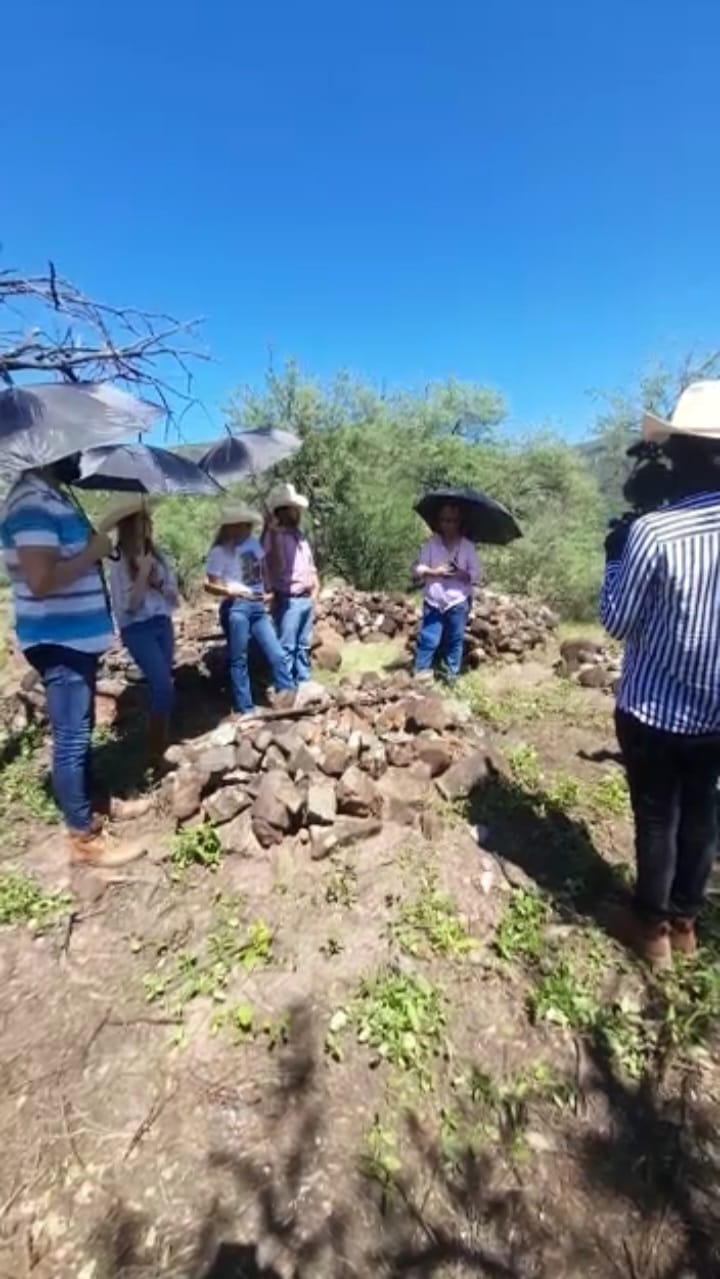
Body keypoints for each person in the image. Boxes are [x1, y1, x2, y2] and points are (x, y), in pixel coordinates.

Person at [600, 380, 720, 969]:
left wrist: (614, 557)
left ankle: (649, 928)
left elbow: (617, 621)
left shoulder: (654, 532)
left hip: (656, 706)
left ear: (686, 456)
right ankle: (685, 923)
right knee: (703, 812)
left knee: (658, 815)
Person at [0, 456, 145, 867]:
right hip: (58, 638)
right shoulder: (31, 502)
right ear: (48, 452)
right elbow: (41, 581)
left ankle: (96, 803)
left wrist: (90, 549)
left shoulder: (52, 497)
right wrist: (93, 552)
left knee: (79, 729)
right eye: (72, 450)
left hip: (74, 638)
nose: (80, 458)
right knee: (71, 737)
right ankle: (84, 839)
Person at [204, 501, 295, 715]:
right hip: (236, 606)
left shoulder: (252, 544)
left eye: (248, 525)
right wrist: (230, 592)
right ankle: (245, 708)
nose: (247, 529)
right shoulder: (219, 551)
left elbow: (261, 570)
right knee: (239, 658)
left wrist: (266, 590)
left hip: (256, 603)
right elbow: (210, 584)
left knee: (276, 653)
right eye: (244, 525)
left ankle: (288, 694)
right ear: (233, 526)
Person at [106, 496, 178, 761]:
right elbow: (128, 606)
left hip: (162, 621)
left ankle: (164, 736)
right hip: (137, 628)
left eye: (148, 520)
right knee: (162, 685)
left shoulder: (157, 556)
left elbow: (174, 598)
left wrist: (159, 583)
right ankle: (156, 748)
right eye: (142, 520)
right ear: (130, 525)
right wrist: (142, 575)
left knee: (164, 683)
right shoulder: (118, 561)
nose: (148, 525)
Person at [413, 502, 480, 682]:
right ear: (438, 522)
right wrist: (435, 572)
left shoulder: (467, 547)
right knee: (429, 640)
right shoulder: (431, 544)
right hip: (433, 600)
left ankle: (451, 679)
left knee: (454, 642)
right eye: (444, 520)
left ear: (459, 521)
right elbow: (418, 568)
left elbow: (475, 574)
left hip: (457, 601)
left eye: (452, 520)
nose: (448, 524)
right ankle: (420, 676)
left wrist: (461, 573)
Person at [263, 482, 319, 685]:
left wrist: (315, 590)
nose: (297, 512)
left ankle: (303, 682)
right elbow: (272, 565)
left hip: (304, 598)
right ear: (284, 511)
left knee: (303, 645)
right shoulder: (272, 537)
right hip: (288, 598)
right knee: (287, 646)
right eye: (293, 508)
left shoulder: (300, 536)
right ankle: (285, 687)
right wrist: (272, 533)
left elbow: (310, 566)